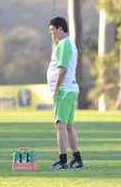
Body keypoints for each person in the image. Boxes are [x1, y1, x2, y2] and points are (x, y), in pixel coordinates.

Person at [47, 17, 83, 170]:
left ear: (60, 28)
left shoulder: (64, 44)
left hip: (64, 90)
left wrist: (56, 88)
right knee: (68, 126)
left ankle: (62, 160)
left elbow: (63, 69)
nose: (51, 34)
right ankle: (77, 159)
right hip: (69, 89)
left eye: (52, 30)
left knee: (60, 125)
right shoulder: (66, 44)